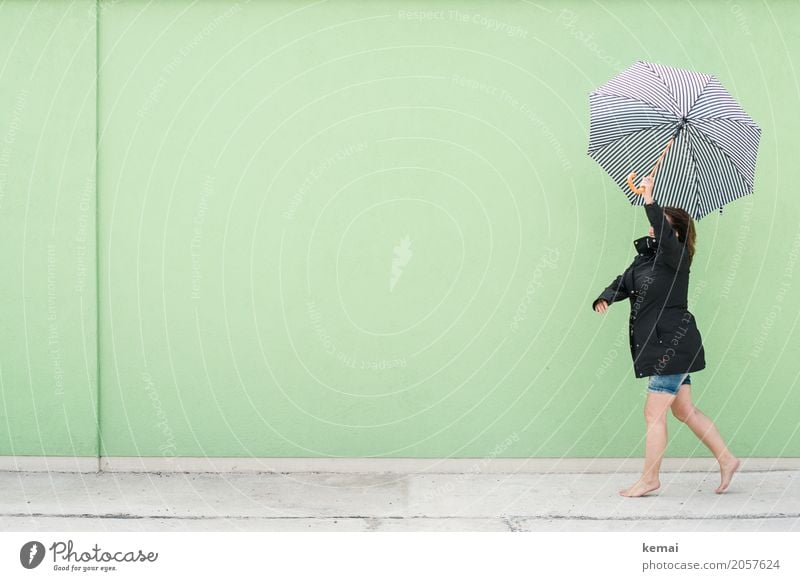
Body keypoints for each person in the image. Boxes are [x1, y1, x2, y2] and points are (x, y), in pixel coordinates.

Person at [592, 175, 739, 497]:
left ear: (674, 234)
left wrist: (650, 197)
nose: (652, 229)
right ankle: (727, 459)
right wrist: (606, 296)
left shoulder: (676, 258)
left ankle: (650, 478)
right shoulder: (646, 259)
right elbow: (625, 280)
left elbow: (658, 222)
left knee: (653, 413)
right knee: (684, 410)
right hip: (667, 343)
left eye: (659, 226)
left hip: (669, 344)